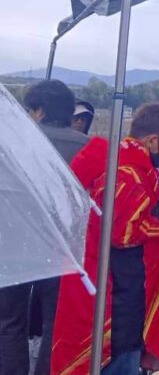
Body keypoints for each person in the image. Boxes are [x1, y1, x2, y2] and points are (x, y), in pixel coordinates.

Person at [51, 102, 159, 375]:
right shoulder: (127, 172)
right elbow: (124, 234)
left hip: (110, 278)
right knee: (118, 357)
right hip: (118, 289)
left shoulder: (120, 162)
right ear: (153, 140)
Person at [0, 80, 88, 375]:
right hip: (65, 247)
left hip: (13, 245)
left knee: (9, 322)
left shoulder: (13, 144)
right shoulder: (85, 146)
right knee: (55, 321)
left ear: (38, 110)